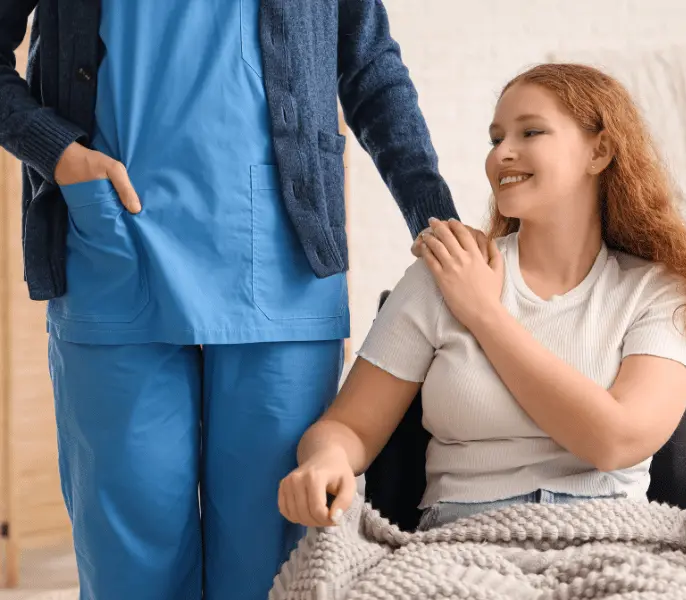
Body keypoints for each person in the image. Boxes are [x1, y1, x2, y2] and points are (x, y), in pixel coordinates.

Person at [0, 1, 485, 598]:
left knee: (273, 561)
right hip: (111, 248)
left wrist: (433, 215)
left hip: (280, 253)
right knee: (131, 558)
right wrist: (58, 152)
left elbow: (368, 67)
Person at [278, 63, 686, 532]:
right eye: (496, 140)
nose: (503, 155)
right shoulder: (442, 274)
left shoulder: (659, 292)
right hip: (463, 542)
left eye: (530, 132)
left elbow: (617, 440)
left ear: (599, 151)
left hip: (613, 537)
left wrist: (482, 313)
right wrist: (325, 459)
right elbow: (349, 426)